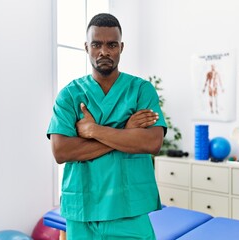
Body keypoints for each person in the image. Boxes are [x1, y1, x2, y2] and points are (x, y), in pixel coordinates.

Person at [47, 13, 167, 239]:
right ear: (86, 47)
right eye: (96, 44)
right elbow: (62, 151)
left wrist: (94, 131)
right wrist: (126, 134)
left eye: (112, 45)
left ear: (121, 47)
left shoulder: (141, 90)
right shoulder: (69, 95)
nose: (104, 51)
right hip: (83, 209)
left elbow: (152, 142)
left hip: (129, 209)